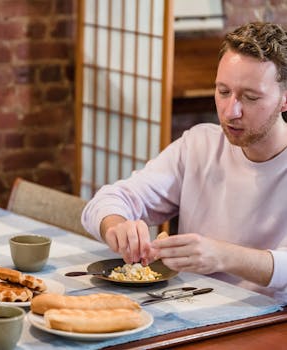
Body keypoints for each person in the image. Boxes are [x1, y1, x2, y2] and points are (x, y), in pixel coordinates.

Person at [81, 22, 287, 302]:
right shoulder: (200, 145)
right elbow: (107, 200)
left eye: (250, 98)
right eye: (223, 92)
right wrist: (117, 226)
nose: (230, 111)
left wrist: (222, 256)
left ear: (284, 99)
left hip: (263, 323)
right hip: (187, 303)